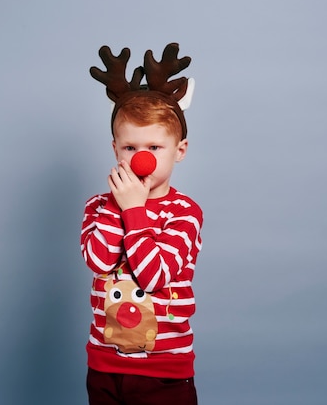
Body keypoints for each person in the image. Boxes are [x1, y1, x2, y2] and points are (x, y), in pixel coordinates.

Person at [81, 43, 203, 405]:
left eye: (154, 147)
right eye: (130, 148)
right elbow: (100, 262)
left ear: (179, 150)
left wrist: (135, 209)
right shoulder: (99, 205)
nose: (141, 159)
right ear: (115, 149)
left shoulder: (185, 212)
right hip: (104, 366)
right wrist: (120, 206)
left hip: (165, 372)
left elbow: (155, 277)